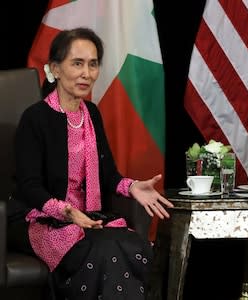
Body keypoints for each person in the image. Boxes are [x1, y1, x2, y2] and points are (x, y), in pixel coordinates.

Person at [13, 27, 173, 299]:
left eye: (93, 64)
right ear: (55, 68)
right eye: (77, 64)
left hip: (89, 218)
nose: (87, 73)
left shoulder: (92, 114)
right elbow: (30, 187)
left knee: (132, 244)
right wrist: (68, 212)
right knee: (103, 251)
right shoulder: (35, 118)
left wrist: (132, 187)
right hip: (43, 220)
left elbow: (109, 175)